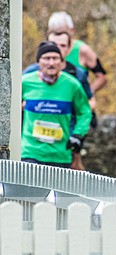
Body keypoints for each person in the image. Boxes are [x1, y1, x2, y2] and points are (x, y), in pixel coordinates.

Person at [23, 30, 95, 170]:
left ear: (62, 63)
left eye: (55, 58)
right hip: (30, 152)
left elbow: (84, 112)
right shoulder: (25, 83)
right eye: (46, 58)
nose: (51, 63)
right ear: (38, 62)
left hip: (60, 154)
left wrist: (78, 135)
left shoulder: (72, 85)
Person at [47, 12, 107, 96]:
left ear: (72, 31)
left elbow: (102, 77)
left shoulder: (83, 50)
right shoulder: (45, 51)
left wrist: (85, 95)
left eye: (63, 32)